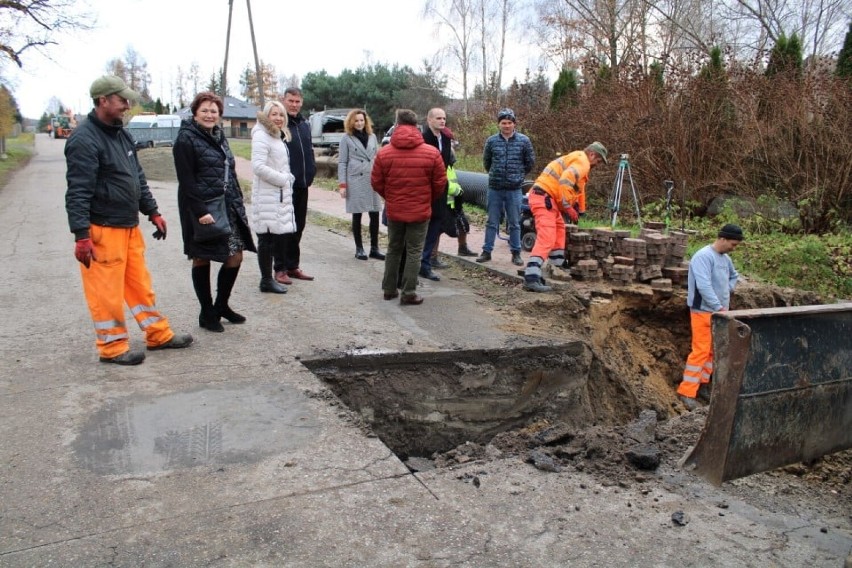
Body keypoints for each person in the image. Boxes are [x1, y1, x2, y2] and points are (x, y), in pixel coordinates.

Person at [65, 75, 193, 365]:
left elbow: (137, 177)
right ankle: (112, 347)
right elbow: (78, 191)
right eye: (121, 100)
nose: (126, 105)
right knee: (106, 293)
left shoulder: (120, 134)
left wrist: (153, 211)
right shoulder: (84, 140)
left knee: (139, 284)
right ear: (102, 101)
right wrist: (81, 235)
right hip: (102, 230)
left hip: (128, 225)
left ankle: (157, 334)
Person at [173, 91, 257, 332]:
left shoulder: (220, 137)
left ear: (220, 115)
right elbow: (186, 180)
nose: (210, 115)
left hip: (227, 204)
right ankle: (206, 311)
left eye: (214, 111)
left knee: (235, 255)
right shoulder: (185, 139)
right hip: (200, 207)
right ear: (195, 113)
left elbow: (229, 171)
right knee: (202, 256)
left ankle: (221, 305)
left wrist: (238, 200)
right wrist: (200, 211)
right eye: (205, 110)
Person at [371, 109, 447, 306]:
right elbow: (440, 182)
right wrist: (427, 198)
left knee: (394, 248)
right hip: (420, 210)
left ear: (397, 125)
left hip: (395, 209)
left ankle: (389, 289)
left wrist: (390, 197)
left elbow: (376, 182)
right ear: (417, 125)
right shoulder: (431, 153)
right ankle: (408, 292)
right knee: (414, 250)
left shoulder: (384, 153)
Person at [523, 142, 608, 292]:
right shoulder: (583, 161)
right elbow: (566, 179)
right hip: (544, 198)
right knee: (547, 237)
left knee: (559, 229)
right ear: (592, 154)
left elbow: (579, 189)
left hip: (547, 198)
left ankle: (557, 265)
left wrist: (581, 211)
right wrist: (568, 206)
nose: (598, 164)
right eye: (598, 160)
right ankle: (531, 277)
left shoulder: (578, 160)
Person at [677, 224, 745, 410]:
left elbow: (734, 276)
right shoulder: (703, 257)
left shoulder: (725, 259)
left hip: (718, 313)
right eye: (732, 244)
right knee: (700, 351)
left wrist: (727, 291)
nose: (733, 248)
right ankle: (687, 391)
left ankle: (703, 385)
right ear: (722, 238)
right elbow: (703, 286)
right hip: (703, 312)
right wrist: (718, 306)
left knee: (712, 351)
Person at [477, 108, 535, 266]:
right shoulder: (491, 141)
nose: (507, 126)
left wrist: (518, 175)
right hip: (495, 188)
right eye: (503, 123)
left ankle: (516, 253)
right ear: (499, 124)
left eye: (509, 123)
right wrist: (496, 174)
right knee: (491, 221)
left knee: (515, 222)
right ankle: (486, 251)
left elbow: (530, 162)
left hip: (514, 189)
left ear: (514, 124)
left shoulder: (524, 141)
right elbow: (487, 163)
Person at [250, 100, 297, 294]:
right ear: (267, 116)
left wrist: (288, 179)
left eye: (281, 115)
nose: (278, 118)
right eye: (274, 114)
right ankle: (266, 280)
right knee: (266, 238)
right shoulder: (262, 135)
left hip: (277, 195)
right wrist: (283, 180)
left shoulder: (275, 136)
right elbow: (258, 166)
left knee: (271, 238)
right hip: (267, 195)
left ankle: (268, 278)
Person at [273, 87, 317, 283]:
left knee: (298, 226)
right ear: (284, 100)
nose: (294, 105)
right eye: (291, 101)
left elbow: (308, 150)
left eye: (298, 101)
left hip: (302, 184)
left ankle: (292, 266)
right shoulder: (279, 124)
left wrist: (312, 171)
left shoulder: (305, 124)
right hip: (284, 186)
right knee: (283, 228)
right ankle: (280, 268)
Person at [419, 108, 465, 281]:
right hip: (424, 189)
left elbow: (446, 164)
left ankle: (426, 263)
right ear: (429, 120)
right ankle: (415, 262)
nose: (442, 121)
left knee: (436, 225)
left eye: (444, 118)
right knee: (422, 226)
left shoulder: (445, 138)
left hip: (442, 187)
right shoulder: (423, 138)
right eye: (438, 118)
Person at [337, 109, 384, 261]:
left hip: (372, 178)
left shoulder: (372, 137)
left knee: (375, 213)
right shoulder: (346, 138)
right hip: (355, 179)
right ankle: (359, 248)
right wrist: (342, 184)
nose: (359, 123)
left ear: (366, 121)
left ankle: (375, 248)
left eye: (361, 120)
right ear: (351, 122)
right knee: (357, 214)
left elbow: (377, 157)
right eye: (356, 120)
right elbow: (342, 162)